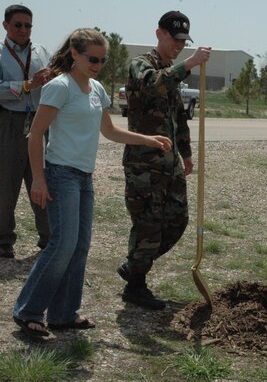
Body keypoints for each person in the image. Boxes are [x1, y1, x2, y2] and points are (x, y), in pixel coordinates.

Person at [12, 28, 172, 337]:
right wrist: (38, 180)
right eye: (92, 58)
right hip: (60, 175)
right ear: (75, 54)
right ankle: (28, 311)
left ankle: (63, 315)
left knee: (80, 246)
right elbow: (34, 136)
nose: (97, 64)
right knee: (62, 245)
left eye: (103, 59)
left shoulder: (97, 89)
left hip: (83, 177)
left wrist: (148, 139)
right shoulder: (60, 87)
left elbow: (110, 132)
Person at [117, 10, 210, 310]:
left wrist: (187, 154)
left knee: (177, 221)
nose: (179, 45)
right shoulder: (141, 64)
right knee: (147, 225)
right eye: (174, 39)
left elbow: (178, 118)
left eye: (184, 41)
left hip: (169, 165)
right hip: (144, 165)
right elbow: (150, 84)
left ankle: (134, 265)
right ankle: (136, 285)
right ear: (159, 34)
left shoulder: (173, 71)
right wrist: (190, 64)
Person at [0, 5, 51, 259]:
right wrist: (27, 85)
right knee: (4, 183)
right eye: (18, 24)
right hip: (8, 122)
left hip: (39, 122)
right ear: (5, 25)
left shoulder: (41, 52)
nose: (23, 30)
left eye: (28, 25)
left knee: (41, 179)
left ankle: (49, 239)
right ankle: (3, 240)